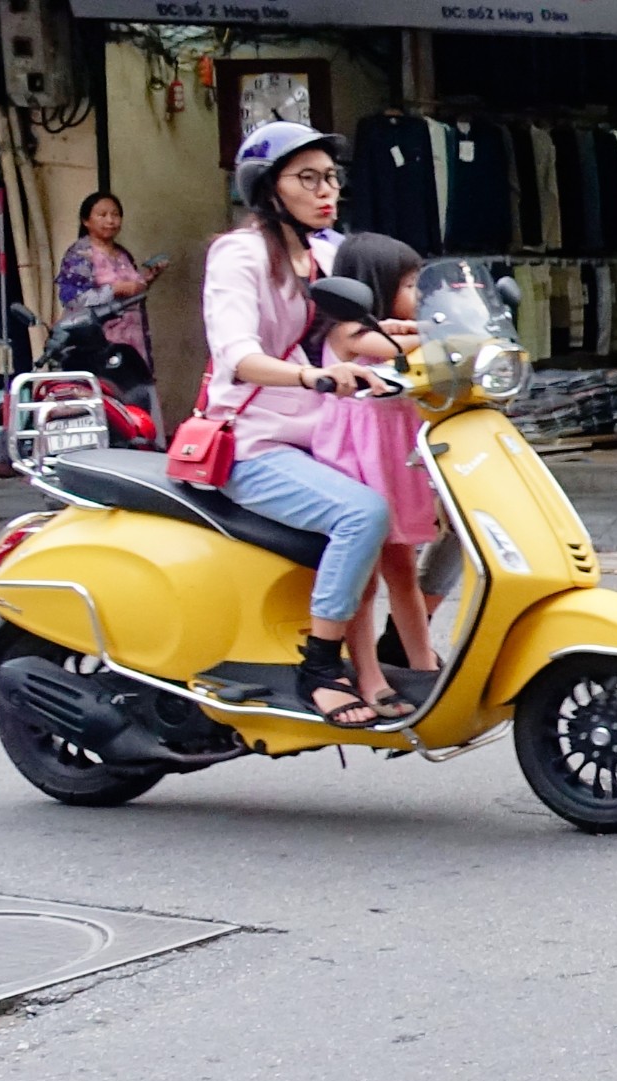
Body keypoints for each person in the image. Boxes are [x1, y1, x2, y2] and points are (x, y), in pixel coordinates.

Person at [204, 121, 393, 728]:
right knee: (361, 513)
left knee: (428, 499)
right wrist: (312, 378)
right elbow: (237, 354)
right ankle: (319, 669)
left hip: (321, 432)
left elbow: (368, 324)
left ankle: (396, 658)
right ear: (268, 189)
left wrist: (448, 339)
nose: (324, 190)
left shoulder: (328, 253)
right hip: (254, 442)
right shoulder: (238, 255)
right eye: (307, 178)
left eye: (331, 177)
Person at [310, 232, 437, 719]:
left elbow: (401, 333)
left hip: (395, 455)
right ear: (374, 287)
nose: (417, 293)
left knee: (403, 569)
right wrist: (440, 329)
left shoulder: (389, 326)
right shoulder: (346, 332)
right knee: (362, 582)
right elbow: (386, 342)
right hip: (358, 458)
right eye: (409, 284)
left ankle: (423, 668)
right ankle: (369, 675)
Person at [56, 192, 160, 365]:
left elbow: (133, 293)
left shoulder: (123, 254)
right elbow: (73, 300)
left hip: (132, 337)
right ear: (86, 220)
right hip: (98, 340)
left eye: (115, 215)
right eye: (102, 215)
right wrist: (114, 290)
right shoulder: (80, 255)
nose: (110, 221)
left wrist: (146, 279)